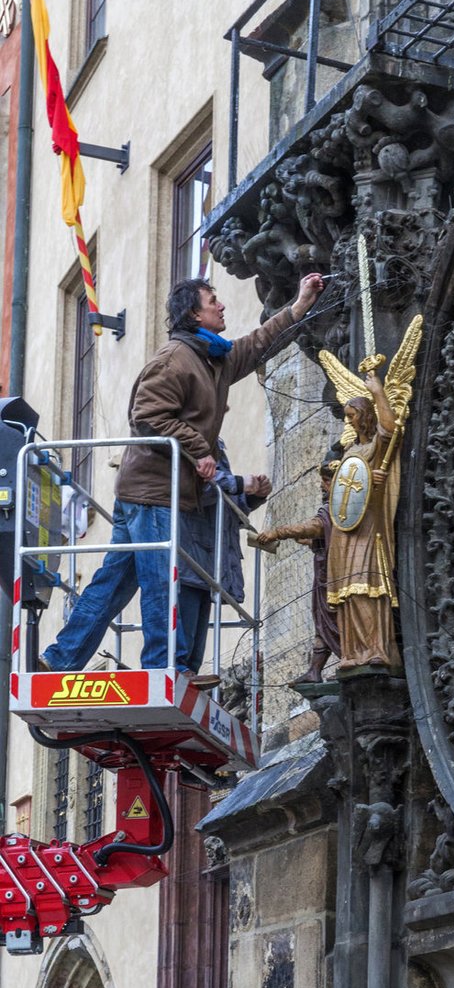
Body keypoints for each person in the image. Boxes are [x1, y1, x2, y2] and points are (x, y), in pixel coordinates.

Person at [40, 272, 324, 679]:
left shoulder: (214, 358)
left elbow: (258, 344)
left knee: (115, 582)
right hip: (153, 492)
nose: (222, 306)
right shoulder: (175, 359)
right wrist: (199, 450)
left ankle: (60, 658)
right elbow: (147, 415)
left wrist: (298, 306)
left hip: (154, 491)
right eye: (213, 301)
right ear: (194, 313)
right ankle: (164, 670)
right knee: (161, 583)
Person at [256, 372, 401, 673]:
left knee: (366, 585)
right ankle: (353, 652)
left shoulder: (375, 446)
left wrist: (378, 392)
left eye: (352, 416)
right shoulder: (350, 452)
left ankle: (375, 648)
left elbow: (391, 429)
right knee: (346, 592)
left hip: (367, 526)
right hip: (345, 531)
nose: (348, 422)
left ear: (365, 416)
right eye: (346, 416)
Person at [251, 443, 344, 689]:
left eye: (325, 480)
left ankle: (346, 659)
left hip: (338, 576)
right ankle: (315, 671)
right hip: (325, 574)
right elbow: (318, 534)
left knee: (336, 619)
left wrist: (278, 533)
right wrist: (301, 539)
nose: (322, 486)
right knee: (322, 622)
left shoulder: (338, 506)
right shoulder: (334, 508)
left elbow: (314, 527)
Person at [178, 439, 271, 676]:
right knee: (184, 631)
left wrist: (252, 496)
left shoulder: (211, 440)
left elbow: (225, 507)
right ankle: (180, 670)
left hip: (208, 558)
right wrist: (239, 484)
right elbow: (194, 490)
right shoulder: (191, 437)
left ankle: (189, 673)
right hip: (189, 551)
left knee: (196, 638)